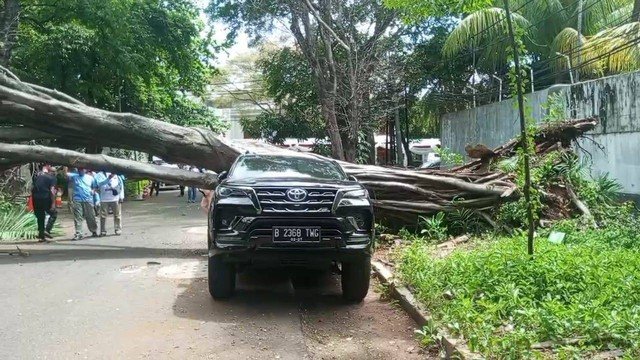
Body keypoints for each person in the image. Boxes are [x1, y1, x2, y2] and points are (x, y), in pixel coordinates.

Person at [66, 167, 98, 240]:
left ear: (85, 170)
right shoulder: (74, 176)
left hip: (88, 199)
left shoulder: (90, 178)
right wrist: (66, 165)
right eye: (79, 169)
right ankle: (78, 233)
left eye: (82, 169)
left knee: (90, 216)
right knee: (78, 217)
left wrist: (93, 191)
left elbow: (95, 187)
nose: (81, 171)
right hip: (77, 200)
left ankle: (94, 231)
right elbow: (65, 174)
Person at [31, 164, 57, 242]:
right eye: (54, 172)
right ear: (51, 172)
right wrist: (53, 203)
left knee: (40, 216)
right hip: (46, 198)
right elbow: (52, 191)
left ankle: (41, 235)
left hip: (36, 198)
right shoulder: (52, 178)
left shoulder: (37, 177)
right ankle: (47, 230)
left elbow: (32, 188)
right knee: (53, 214)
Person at [94, 171, 124, 236]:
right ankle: (103, 231)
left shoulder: (116, 174)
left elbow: (121, 185)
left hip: (115, 198)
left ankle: (117, 229)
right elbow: (98, 184)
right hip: (104, 198)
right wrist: (108, 179)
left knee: (117, 215)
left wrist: (121, 196)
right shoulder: (99, 175)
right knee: (103, 216)